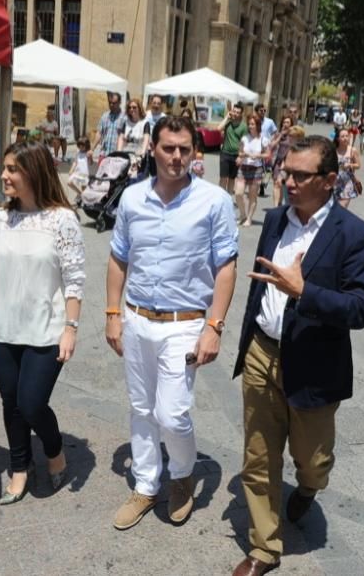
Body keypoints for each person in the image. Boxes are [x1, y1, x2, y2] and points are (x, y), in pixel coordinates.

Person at [232, 135, 364, 576]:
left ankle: (309, 488)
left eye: (300, 175)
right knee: (258, 456)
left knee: (311, 461)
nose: (288, 181)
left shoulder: (354, 236)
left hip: (314, 363)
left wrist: (305, 292)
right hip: (263, 350)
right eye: (285, 172)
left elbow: (360, 308)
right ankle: (264, 548)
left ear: (330, 180)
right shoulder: (276, 219)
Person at [106, 116, 238, 531]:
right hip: (138, 318)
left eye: (184, 148)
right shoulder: (131, 199)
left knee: (173, 413)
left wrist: (214, 326)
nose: (176, 157)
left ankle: (181, 475)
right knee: (142, 408)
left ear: (195, 151)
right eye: (168, 148)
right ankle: (146, 484)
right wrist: (112, 315)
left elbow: (226, 267)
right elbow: (118, 258)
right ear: (153, 148)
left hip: (185, 323)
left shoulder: (214, 201)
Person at [0, 141, 85, 504]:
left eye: (11, 169)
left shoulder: (61, 219)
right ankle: (20, 467)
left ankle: (54, 452)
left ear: (33, 172)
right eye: (3, 168)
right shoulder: (2, 218)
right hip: (5, 329)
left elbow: (75, 277)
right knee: (11, 403)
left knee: (32, 403)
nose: (3, 175)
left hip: (46, 330)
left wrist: (71, 327)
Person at [236, 114, 269, 227]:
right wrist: (242, 155)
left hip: (256, 169)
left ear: (258, 125)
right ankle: (243, 214)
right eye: (249, 124)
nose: (250, 126)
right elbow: (239, 152)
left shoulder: (263, 139)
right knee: (238, 193)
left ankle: (249, 218)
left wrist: (258, 155)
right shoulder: (244, 138)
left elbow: (268, 154)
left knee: (252, 196)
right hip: (243, 168)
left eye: (252, 124)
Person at [218, 103, 248, 195]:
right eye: (234, 111)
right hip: (225, 153)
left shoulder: (244, 126)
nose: (235, 113)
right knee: (223, 177)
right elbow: (218, 128)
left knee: (231, 179)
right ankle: (221, 197)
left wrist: (240, 156)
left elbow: (244, 143)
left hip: (236, 155)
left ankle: (228, 198)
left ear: (241, 114)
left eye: (238, 112)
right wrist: (227, 117)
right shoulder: (228, 122)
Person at [118, 98, 151, 179]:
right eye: (129, 107)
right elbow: (121, 138)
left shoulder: (145, 123)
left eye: (134, 107)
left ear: (139, 108)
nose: (131, 109)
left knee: (135, 180)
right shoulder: (126, 123)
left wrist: (142, 153)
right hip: (126, 156)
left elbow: (146, 139)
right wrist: (118, 153)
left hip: (138, 158)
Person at [269, 115, 296, 208]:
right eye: (284, 122)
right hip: (277, 161)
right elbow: (271, 145)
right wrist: (280, 135)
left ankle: (285, 205)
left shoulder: (294, 135)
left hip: (288, 163)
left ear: (291, 124)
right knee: (276, 184)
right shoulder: (278, 134)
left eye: (288, 122)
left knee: (282, 184)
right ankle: (277, 206)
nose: (285, 124)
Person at [94, 92, 126, 163]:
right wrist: (92, 148)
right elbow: (99, 133)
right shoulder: (105, 116)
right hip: (104, 154)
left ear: (119, 102)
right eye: (110, 103)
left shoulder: (125, 117)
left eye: (114, 103)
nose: (111, 105)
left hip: (117, 155)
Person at [333, 128, 361, 209]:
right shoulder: (334, 150)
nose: (345, 138)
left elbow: (358, 165)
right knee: (333, 208)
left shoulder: (352, 150)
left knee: (342, 207)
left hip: (347, 183)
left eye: (347, 136)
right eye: (342, 136)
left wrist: (350, 165)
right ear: (338, 139)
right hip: (334, 183)